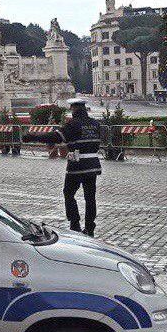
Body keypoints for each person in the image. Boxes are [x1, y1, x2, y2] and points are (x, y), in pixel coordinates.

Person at [56, 98, 102, 236]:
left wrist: (34, 136)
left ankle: (74, 223)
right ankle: (90, 227)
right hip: (92, 165)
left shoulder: (73, 124)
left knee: (68, 193)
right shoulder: (95, 124)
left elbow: (58, 136)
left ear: (74, 109)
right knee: (90, 197)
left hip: (76, 165)